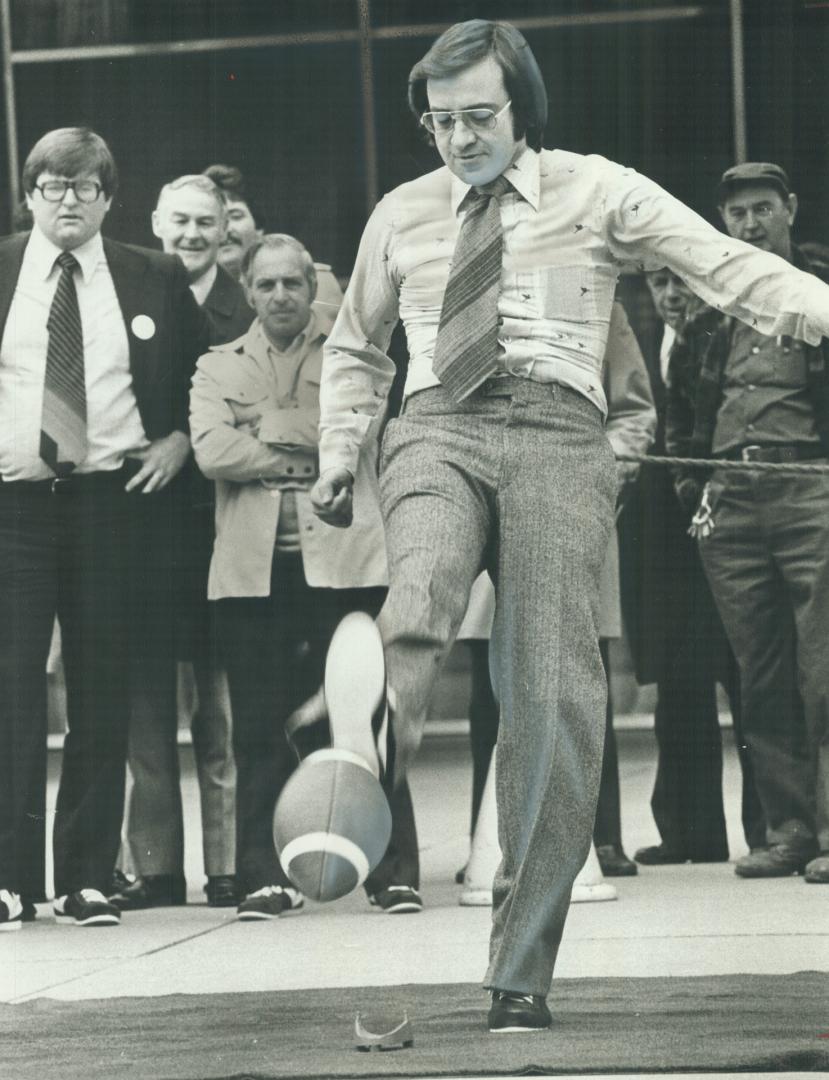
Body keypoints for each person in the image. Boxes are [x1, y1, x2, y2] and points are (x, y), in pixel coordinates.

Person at [310, 19, 829, 1030]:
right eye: (439, 121)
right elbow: (355, 346)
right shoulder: (401, 213)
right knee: (421, 578)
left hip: (559, 431)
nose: (458, 140)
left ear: (521, 108)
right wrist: (339, 452)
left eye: (478, 118)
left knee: (551, 691)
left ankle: (519, 971)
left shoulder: (599, 190)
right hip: (437, 427)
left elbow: (723, 264)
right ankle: (367, 739)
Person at [0, 127, 207, 931]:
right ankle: (10, 879)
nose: (69, 202)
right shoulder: (2, 269)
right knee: (11, 688)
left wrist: (181, 439)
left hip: (110, 507)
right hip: (14, 510)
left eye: (86, 189)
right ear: (29, 194)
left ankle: (85, 876)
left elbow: (203, 374)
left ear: (110, 199)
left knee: (102, 689)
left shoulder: (151, 276)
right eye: (53, 187)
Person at [189, 233, 420, 921]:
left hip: (347, 566)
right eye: (265, 286)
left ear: (310, 287)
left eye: (292, 283)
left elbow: (355, 428)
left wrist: (265, 429)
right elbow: (209, 450)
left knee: (367, 719)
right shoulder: (216, 364)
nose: (280, 296)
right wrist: (308, 444)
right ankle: (263, 876)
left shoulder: (353, 355)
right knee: (258, 725)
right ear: (249, 290)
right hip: (252, 576)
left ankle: (393, 871)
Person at [668, 162, 829, 885]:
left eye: (763, 208)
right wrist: (690, 488)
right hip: (728, 500)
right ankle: (788, 831)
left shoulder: (821, 285)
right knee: (758, 674)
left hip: (810, 487)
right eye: (736, 214)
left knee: (822, 668)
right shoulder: (708, 299)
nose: (750, 224)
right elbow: (678, 407)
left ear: (790, 209)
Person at [456, 301, 656, 880]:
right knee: (487, 689)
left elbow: (634, 410)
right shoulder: (454, 289)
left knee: (576, 676)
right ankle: (491, 841)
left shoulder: (598, 295)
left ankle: (602, 837)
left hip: (570, 505)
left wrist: (595, 468)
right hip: (482, 507)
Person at [110, 175, 253, 912]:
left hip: (214, 522)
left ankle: (226, 863)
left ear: (223, 228)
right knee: (143, 706)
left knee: (216, 705)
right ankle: (158, 868)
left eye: (206, 222)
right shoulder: (124, 290)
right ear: (156, 221)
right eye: (179, 221)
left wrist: (185, 446)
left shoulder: (245, 304)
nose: (191, 235)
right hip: (139, 525)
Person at [619, 268, 766, 865]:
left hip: (731, 527)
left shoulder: (725, 338)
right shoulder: (640, 348)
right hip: (661, 541)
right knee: (677, 688)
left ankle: (771, 828)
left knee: (751, 679)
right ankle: (689, 831)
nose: (673, 296)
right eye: (660, 285)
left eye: (684, 283)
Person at [202, 163, 344, 313]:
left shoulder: (318, 283)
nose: (226, 230)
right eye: (215, 220)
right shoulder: (190, 296)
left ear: (258, 227)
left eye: (236, 216)